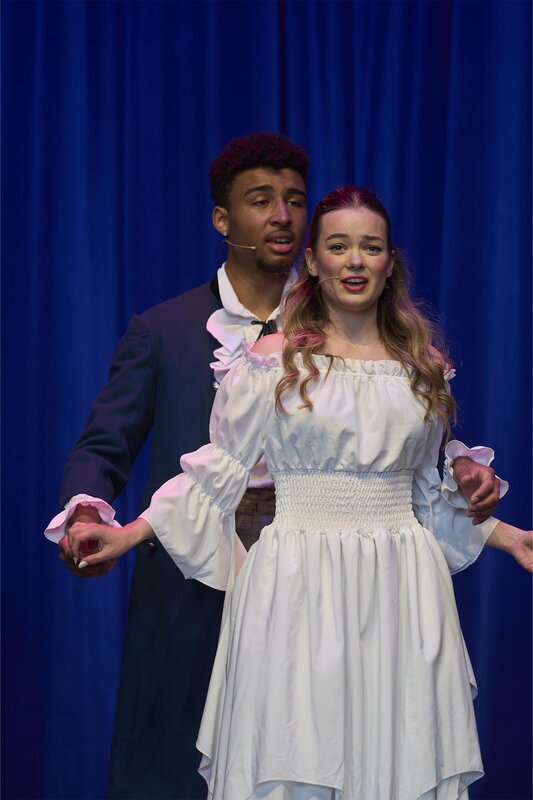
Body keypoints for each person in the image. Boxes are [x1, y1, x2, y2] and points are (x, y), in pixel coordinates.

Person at [68, 186, 531, 800]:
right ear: (312, 261)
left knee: (396, 756)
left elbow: (426, 493)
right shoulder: (271, 361)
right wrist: (127, 535)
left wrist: (512, 538)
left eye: (371, 247)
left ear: (390, 261)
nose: (355, 260)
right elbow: (218, 472)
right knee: (295, 754)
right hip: (298, 580)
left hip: (400, 586)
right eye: (338, 246)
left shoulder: (421, 367)